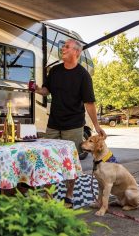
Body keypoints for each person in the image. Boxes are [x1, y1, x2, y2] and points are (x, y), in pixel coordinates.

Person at [35, 39, 106, 206]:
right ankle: (48, 195)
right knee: (48, 159)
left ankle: (69, 195)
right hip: (53, 123)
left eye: (67, 47)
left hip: (73, 125)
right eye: (63, 46)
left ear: (77, 52)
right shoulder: (55, 71)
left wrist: (96, 126)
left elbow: (89, 103)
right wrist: (38, 90)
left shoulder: (83, 75)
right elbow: (47, 90)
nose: (63, 49)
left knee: (70, 162)